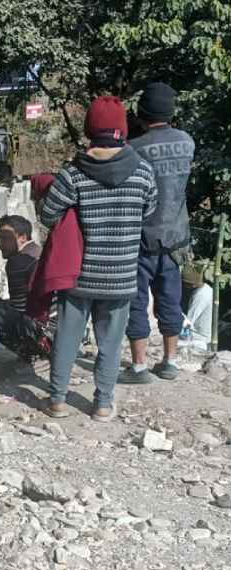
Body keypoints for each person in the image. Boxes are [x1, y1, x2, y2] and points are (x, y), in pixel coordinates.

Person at [40, 96, 158, 422]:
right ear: (122, 129)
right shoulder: (143, 173)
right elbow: (149, 212)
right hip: (121, 275)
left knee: (67, 335)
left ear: (90, 129)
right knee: (110, 342)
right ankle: (103, 404)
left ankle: (58, 401)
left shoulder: (74, 173)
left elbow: (48, 214)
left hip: (79, 274)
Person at [118, 82, 196, 384]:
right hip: (176, 238)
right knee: (171, 298)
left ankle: (139, 366)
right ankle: (170, 361)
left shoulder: (133, 150)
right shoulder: (187, 142)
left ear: (142, 113)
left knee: (137, 300)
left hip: (141, 238)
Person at [0, 214, 52, 361]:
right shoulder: (38, 252)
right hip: (56, 330)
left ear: (22, 238)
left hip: (42, 334)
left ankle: (31, 353)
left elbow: (18, 309)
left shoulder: (18, 262)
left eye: (4, 238)